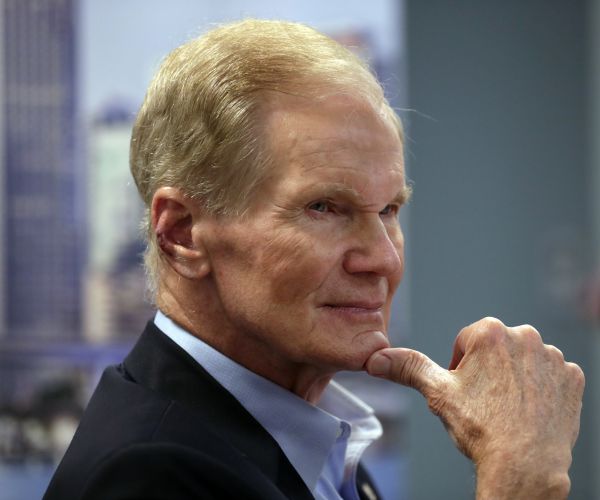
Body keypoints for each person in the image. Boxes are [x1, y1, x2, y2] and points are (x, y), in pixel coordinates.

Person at [44, 19, 584, 500]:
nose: (382, 259)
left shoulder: (316, 442)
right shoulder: (149, 476)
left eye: (390, 209)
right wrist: (521, 480)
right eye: (324, 207)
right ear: (183, 233)